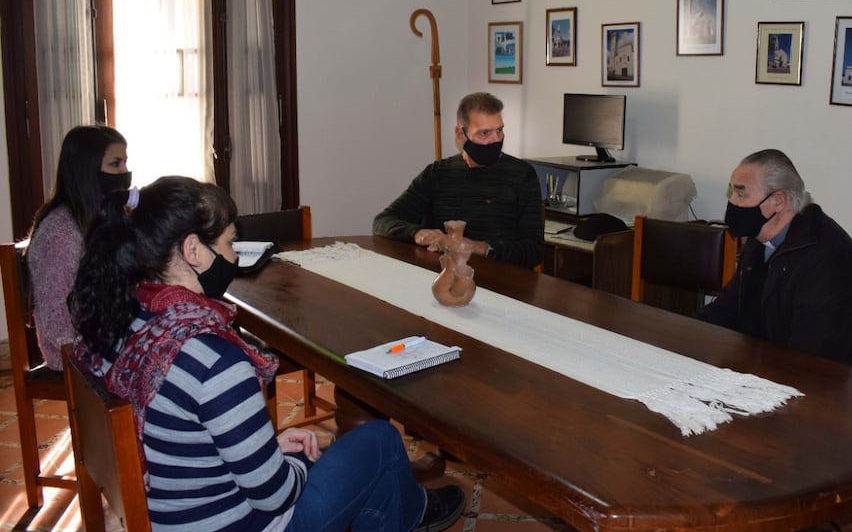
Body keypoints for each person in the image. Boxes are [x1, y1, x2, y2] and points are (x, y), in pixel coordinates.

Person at [68, 176, 465, 532]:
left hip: (177, 511)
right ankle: (411, 512)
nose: (235, 256)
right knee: (379, 439)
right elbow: (275, 496)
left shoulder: (127, 322)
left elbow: (192, 436)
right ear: (193, 250)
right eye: (228, 244)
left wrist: (268, 448)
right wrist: (290, 467)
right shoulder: (213, 359)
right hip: (240, 523)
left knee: (352, 468)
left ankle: (406, 511)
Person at [699, 149, 852, 374]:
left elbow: (812, 359)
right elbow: (729, 308)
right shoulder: (761, 240)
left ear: (778, 201)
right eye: (731, 192)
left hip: (843, 390)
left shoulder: (830, 260)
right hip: (777, 365)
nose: (731, 203)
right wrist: (683, 333)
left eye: (741, 195)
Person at [373, 92, 544, 269]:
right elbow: (383, 221)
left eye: (499, 130)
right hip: (446, 277)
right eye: (484, 133)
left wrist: (480, 248)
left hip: (502, 278)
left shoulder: (522, 175)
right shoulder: (437, 174)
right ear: (460, 134)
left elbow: (534, 250)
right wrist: (416, 233)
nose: (496, 139)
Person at [26, 124, 131, 370]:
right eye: (116, 164)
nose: (125, 172)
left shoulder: (103, 217)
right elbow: (59, 328)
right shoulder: (59, 233)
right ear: (87, 170)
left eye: (125, 162)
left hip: (107, 340)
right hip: (75, 354)